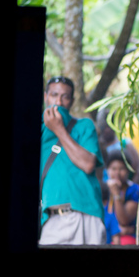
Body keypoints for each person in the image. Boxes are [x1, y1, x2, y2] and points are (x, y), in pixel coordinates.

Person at [39, 76, 106, 245]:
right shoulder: (38, 130)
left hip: (85, 213)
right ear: (46, 96)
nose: (59, 102)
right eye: (54, 95)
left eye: (65, 97)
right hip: (52, 219)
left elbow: (89, 164)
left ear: (72, 102)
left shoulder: (84, 126)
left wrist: (59, 129)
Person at [104, 149, 139, 245]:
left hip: (126, 238)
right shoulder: (104, 188)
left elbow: (124, 221)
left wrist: (116, 194)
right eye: (113, 169)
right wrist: (117, 229)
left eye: (121, 169)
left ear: (128, 171)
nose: (117, 173)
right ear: (107, 170)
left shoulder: (134, 190)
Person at [97, 109, 139, 185]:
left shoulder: (125, 144)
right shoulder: (97, 148)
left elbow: (138, 171)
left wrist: (129, 191)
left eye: (110, 124)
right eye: (104, 126)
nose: (107, 129)